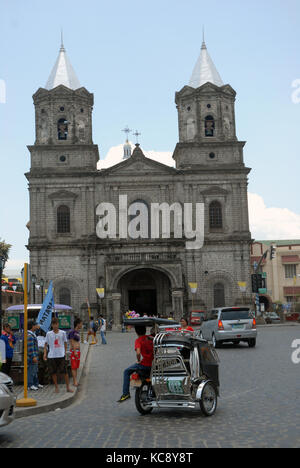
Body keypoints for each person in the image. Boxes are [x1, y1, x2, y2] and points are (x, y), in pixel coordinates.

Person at [118, 325, 154, 403]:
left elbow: (138, 352)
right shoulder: (150, 337)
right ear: (145, 330)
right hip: (154, 364)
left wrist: (138, 360)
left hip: (144, 365)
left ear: (136, 332)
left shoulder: (138, 340)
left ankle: (126, 393)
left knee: (126, 372)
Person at [43, 317, 73, 394]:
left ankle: (67, 387)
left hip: (61, 354)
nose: (55, 326)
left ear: (58, 324)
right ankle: (56, 387)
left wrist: (65, 352)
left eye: (56, 324)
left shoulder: (62, 333)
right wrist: (45, 354)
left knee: (65, 372)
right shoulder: (48, 334)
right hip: (52, 355)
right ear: (52, 325)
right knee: (53, 372)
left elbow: (65, 343)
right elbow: (45, 344)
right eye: (53, 324)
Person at [27, 319, 43, 391]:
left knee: (35, 370)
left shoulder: (32, 334)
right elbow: (30, 347)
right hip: (32, 356)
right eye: (36, 325)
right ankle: (30, 385)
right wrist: (33, 356)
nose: (37, 326)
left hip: (35, 355)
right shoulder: (29, 335)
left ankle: (36, 383)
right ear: (32, 326)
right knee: (31, 370)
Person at [68, 318, 83, 387]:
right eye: (81, 323)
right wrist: (74, 351)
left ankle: (75, 381)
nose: (81, 325)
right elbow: (72, 342)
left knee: (76, 367)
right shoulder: (72, 332)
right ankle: (74, 382)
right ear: (78, 324)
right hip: (74, 351)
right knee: (73, 367)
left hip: (77, 351)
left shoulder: (77, 332)